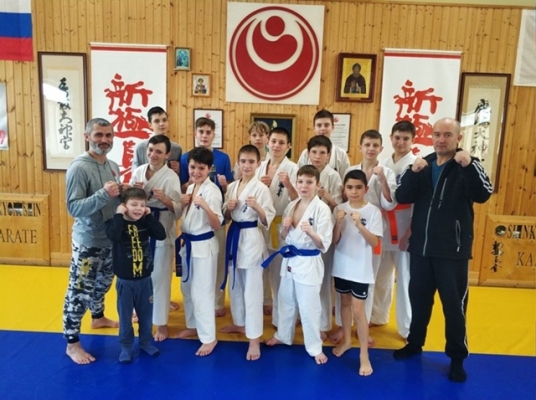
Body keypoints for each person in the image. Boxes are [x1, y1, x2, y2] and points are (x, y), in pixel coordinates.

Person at [393, 117, 493, 383]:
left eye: (448, 135)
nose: (441, 139)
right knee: (419, 301)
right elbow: (402, 196)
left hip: (452, 252)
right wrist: (413, 172)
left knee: (454, 307)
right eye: (437, 134)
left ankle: (457, 358)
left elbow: (483, 194)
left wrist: (468, 166)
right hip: (421, 249)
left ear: (458, 138)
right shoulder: (423, 164)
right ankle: (415, 343)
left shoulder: (468, 164)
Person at [62, 117, 121, 364]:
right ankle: (72, 342)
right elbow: (74, 207)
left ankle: (98, 317)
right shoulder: (79, 167)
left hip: (110, 238)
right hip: (88, 241)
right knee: (79, 291)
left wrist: (125, 191)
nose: (104, 140)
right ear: (87, 137)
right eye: (98, 135)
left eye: (108, 135)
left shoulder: (113, 166)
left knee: (103, 283)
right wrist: (103, 194)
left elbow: (113, 200)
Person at [331, 130, 397, 344]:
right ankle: (343, 328)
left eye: (375, 145)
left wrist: (382, 179)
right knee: (343, 288)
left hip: (373, 228)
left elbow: (390, 203)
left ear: (381, 148)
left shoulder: (386, 171)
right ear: (360, 147)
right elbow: (344, 197)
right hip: (348, 227)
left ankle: (363, 327)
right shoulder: (351, 170)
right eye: (367, 144)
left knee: (368, 279)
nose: (371, 148)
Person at [265, 165, 333, 365]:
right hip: (290, 259)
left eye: (309, 182)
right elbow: (284, 236)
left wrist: (311, 232)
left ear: (317, 185)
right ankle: (283, 335)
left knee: (309, 307)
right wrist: (285, 229)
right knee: (285, 299)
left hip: (309, 262)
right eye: (301, 181)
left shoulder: (322, 209)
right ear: (296, 183)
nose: (304, 186)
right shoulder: (292, 204)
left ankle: (314, 347)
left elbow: (324, 244)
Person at [219, 145, 275, 361]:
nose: (247, 165)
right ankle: (240, 323)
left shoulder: (261, 188)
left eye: (251, 162)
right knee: (235, 285)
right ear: (238, 163)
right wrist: (228, 207)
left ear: (258, 164)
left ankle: (254, 339)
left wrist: (258, 207)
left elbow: (267, 219)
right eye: (243, 161)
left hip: (251, 237)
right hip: (234, 236)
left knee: (252, 290)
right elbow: (225, 216)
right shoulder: (232, 186)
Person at [104, 187, 166, 363]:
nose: (138, 208)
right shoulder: (114, 223)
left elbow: (161, 234)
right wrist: (118, 214)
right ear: (124, 206)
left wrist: (149, 216)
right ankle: (126, 346)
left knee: (146, 315)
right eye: (134, 204)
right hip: (125, 281)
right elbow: (114, 236)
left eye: (142, 205)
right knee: (125, 317)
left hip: (145, 280)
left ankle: (145, 342)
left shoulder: (145, 222)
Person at [130, 135, 182, 341]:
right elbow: (128, 202)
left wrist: (165, 199)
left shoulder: (171, 177)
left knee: (160, 278)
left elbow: (178, 209)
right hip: (139, 229)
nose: (153, 154)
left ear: (167, 155)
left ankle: (161, 323)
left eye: (159, 151)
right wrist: (135, 192)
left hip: (161, 229)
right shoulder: (138, 172)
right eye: (151, 150)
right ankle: (139, 310)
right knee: (138, 275)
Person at [331, 170, 383, 376]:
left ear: (366, 189)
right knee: (344, 304)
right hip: (341, 265)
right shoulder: (339, 209)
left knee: (359, 311)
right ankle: (346, 341)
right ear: (344, 189)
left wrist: (360, 225)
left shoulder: (373, 211)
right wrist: (338, 223)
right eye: (350, 187)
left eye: (358, 187)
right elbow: (335, 241)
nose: (354, 191)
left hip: (361, 268)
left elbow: (375, 242)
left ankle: (364, 355)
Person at [180, 117, 233, 318]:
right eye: (201, 131)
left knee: (215, 263)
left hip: (213, 214)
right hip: (194, 220)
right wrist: (186, 191)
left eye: (208, 132)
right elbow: (184, 185)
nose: (204, 135)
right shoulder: (186, 158)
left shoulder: (223, 158)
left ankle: (217, 303)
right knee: (192, 279)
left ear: (213, 135)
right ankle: (196, 319)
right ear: (195, 133)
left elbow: (229, 188)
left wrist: (225, 185)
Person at [175, 147, 224, 356]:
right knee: (187, 288)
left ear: (210, 169)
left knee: (202, 292)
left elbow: (217, 224)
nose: (196, 171)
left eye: (201, 168)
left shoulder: (212, 191)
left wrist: (205, 206)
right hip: (188, 244)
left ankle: (209, 338)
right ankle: (194, 325)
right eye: (193, 167)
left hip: (204, 246)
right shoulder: (190, 188)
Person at [255, 127, 298, 327]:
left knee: (280, 275)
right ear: (267, 143)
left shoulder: (293, 168)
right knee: (261, 271)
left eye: (281, 142)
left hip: (282, 226)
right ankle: (265, 305)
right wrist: (260, 186)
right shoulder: (260, 166)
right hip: (260, 225)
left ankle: (283, 320)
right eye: (273, 141)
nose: (276, 146)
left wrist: (288, 184)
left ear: (288, 146)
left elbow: (299, 199)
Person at [377, 121, 416, 339]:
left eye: (405, 139)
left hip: (404, 227)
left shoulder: (416, 166)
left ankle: (407, 328)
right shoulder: (382, 164)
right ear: (391, 138)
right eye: (397, 138)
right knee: (381, 277)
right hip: (382, 227)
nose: (400, 142)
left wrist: (410, 232)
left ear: (413, 141)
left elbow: (420, 204)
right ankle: (378, 316)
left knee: (405, 281)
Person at [306, 135, 342, 340]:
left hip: (324, 233)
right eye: (314, 152)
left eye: (322, 153)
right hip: (305, 234)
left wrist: (325, 195)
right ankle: (305, 317)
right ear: (308, 153)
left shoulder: (333, 176)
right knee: (305, 279)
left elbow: (339, 207)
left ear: (329, 155)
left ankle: (323, 324)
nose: (317, 156)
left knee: (323, 279)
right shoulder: (304, 172)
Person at [297, 109, 350, 180]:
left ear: (333, 127)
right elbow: (299, 177)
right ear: (314, 128)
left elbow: (346, 180)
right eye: (319, 125)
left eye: (326, 125)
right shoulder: (305, 153)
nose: (322, 128)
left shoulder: (341, 154)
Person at [132, 106, 182, 176]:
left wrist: (179, 170)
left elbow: (180, 175)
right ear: (150, 124)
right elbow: (135, 174)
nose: (161, 124)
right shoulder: (141, 148)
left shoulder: (176, 149)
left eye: (164, 120)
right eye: (157, 121)